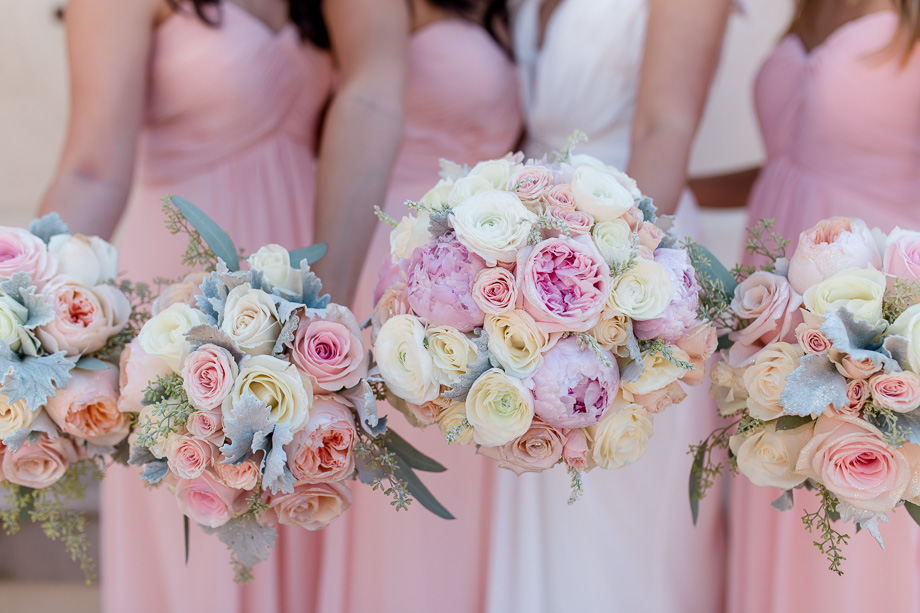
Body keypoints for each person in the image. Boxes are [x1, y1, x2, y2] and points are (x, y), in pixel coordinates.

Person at [38, 0, 413, 610]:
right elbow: (92, 170)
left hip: (313, 267)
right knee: (207, 514)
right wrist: (31, 313)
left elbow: (372, 93)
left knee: (306, 507)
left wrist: (317, 326)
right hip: (186, 296)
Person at [483, 1, 732, 611]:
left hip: (635, 260)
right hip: (538, 262)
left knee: (623, 523)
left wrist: (606, 295)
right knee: (551, 515)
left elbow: (664, 129)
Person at [691, 1, 920, 611]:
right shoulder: (809, 8)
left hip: (870, 323)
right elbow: (794, 163)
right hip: (773, 321)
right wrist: (679, 192)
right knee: (774, 481)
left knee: (857, 504)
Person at [309, 2, 522, 612]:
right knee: (412, 539)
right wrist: (321, 314)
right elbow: (367, 101)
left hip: (483, 297)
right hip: (404, 281)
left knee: (469, 520)